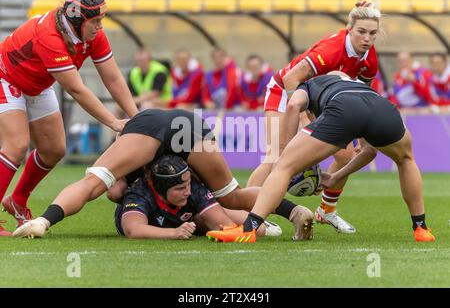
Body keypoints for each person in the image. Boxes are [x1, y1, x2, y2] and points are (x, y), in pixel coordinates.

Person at [206, 71, 436, 243]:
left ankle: (248, 228)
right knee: (406, 160)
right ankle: (421, 228)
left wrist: (284, 151)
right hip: (382, 108)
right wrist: (336, 177)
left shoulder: (310, 84)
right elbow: (369, 151)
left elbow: (294, 104)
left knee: (283, 167)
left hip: (344, 107)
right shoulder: (362, 85)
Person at [13, 108, 314, 239]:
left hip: (149, 126)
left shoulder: (128, 170)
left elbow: (104, 189)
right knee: (232, 195)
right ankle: (294, 212)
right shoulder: (140, 168)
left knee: (96, 184)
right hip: (187, 123)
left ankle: (43, 221)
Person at [0, 0, 138, 235]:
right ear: (76, 21)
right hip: (6, 78)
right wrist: (115, 123)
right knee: (17, 145)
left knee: (54, 150)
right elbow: (77, 90)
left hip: (37, 83)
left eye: (100, 20)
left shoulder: (92, 33)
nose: (99, 26)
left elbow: (114, 78)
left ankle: (17, 200)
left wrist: (135, 117)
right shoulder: (49, 36)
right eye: (94, 21)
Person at [247, 0, 381, 234]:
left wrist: (361, 138)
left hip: (320, 101)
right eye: (361, 32)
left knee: (348, 155)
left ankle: (326, 210)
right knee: (276, 156)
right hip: (285, 92)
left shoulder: (369, 59)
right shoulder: (330, 50)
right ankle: (248, 214)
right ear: (349, 29)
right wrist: (303, 118)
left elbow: (361, 95)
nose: (367, 38)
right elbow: (291, 79)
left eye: (373, 33)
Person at [114, 154, 281, 239]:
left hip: (189, 217)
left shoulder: (192, 188)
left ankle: (261, 219)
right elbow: (133, 229)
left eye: (187, 185)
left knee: (257, 231)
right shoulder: (139, 193)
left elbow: (227, 227)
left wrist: (241, 230)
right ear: (160, 189)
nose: (187, 191)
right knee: (114, 192)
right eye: (180, 188)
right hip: (175, 223)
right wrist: (174, 233)